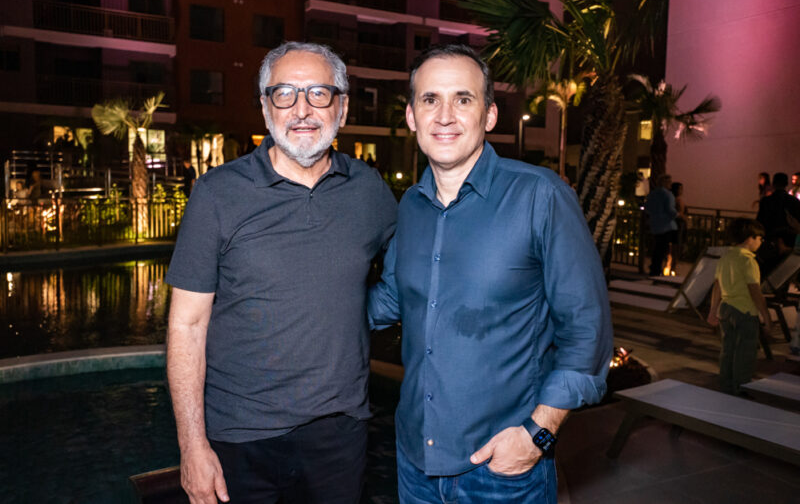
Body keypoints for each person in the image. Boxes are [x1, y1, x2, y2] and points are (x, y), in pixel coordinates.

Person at [368, 44, 612, 504]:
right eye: (430, 99)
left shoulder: (540, 197)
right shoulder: (411, 207)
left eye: (463, 99)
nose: (445, 115)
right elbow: (391, 299)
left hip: (503, 473)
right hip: (414, 463)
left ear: (490, 115)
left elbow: (587, 332)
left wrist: (537, 435)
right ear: (411, 117)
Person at [165, 41, 397, 504]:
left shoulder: (368, 190)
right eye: (285, 94)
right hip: (240, 437)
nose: (302, 110)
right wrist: (192, 445)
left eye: (318, 94)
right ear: (265, 107)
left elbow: (416, 267)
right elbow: (186, 326)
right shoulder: (217, 194)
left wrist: (359, 311)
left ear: (342, 107)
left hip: (339, 434)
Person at [707, 218, 774, 395]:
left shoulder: (726, 258)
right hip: (745, 311)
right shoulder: (748, 261)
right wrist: (766, 318)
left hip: (726, 309)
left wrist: (713, 311)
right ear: (750, 238)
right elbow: (755, 292)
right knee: (745, 352)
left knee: (728, 349)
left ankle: (726, 384)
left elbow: (717, 286)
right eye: (759, 238)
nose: (761, 242)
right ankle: (741, 388)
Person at [644, 174, 678, 276]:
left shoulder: (653, 194)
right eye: (669, 182)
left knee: (657, 248)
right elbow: (670, 210)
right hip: (666, 225)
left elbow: (647, 208)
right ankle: (659, 269)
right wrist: (678, 215)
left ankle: (655, 268)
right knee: (663, 248)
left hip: (655, 224)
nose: (670, 184)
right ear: (665, 183)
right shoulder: (667, 194)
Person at [668, 181, 688, 274]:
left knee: (676, 247)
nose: (681, 190)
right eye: (680, 189)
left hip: (679, 225)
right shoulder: (675, 200)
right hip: (677, 225)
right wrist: (682, 216)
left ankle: (672, 267)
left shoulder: (677, 200)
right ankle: (672, 268)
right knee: (675, 247)